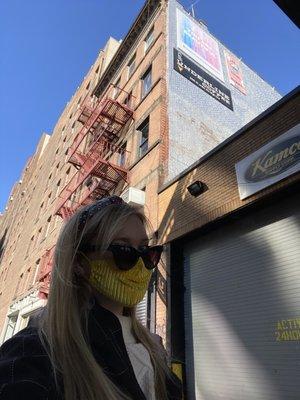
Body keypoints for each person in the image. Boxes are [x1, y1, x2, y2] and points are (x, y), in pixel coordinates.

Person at [0, 196, 182, 400]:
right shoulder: (34, 353)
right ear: (78, 262)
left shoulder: (152, 346)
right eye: (123, 250)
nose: (140, 266)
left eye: (146, 251)